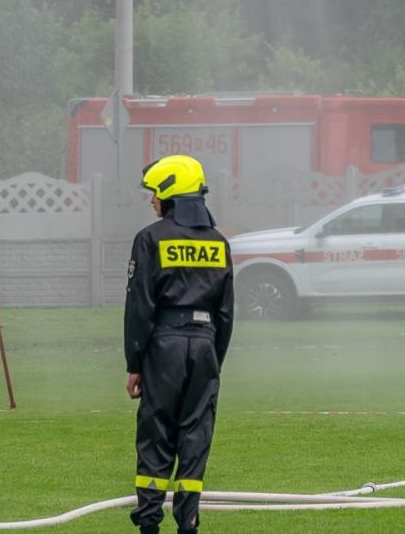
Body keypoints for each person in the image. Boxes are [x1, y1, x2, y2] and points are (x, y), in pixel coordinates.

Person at [125, 155, 235, 534]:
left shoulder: (150, 238)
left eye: (153, 192)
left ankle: (150, 521)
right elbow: (226, 312)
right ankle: (188, 520)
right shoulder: (219, 242)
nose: (150, 200)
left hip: (164, 346)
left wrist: (135, 363)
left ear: (170, 192)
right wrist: (213, 360)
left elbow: (140, 307)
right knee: (196, 432)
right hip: (205, 346)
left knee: (157, 431)